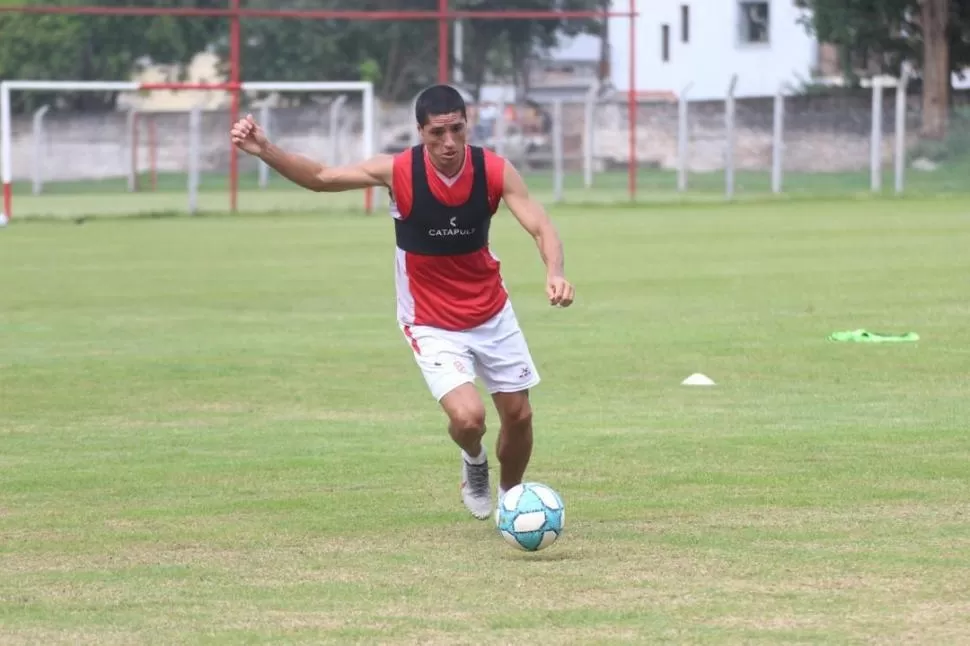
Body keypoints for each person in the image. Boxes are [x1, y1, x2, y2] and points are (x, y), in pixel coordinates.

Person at [229, 84, 574, 521]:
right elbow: (321, 178)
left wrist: (555, 271)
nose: (448, 143)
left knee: (520, 417)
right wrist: (266, 150)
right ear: (419, 132)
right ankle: (474, 461)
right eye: (436, 133)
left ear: (467, 125)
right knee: (469, 419)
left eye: (456, 129)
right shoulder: (398, 171)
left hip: (491, 311)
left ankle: (512, 498)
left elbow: (540, 224)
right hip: (429, 320)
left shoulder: (493, 170)